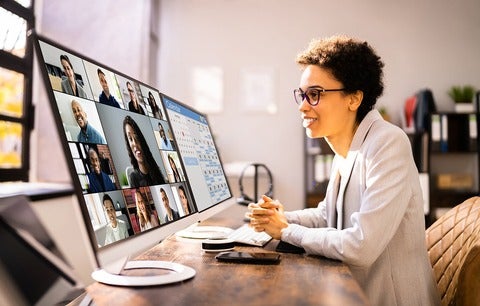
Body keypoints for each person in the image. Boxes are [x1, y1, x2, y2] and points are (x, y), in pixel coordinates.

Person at [247, 35, 440, 306]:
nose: (303, 105)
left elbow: (361, 244)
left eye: (314, 94)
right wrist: (279, 217)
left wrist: (286, 230)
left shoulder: (388, 142)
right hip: (353, 293)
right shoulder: (347, 149)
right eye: (302, 95)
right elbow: (329, 215)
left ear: (354, 98)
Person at [123, 115, 165, 187]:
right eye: (130, 139)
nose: (135, 143)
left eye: (136, 137)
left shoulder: (156, 170)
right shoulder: (133, 178)